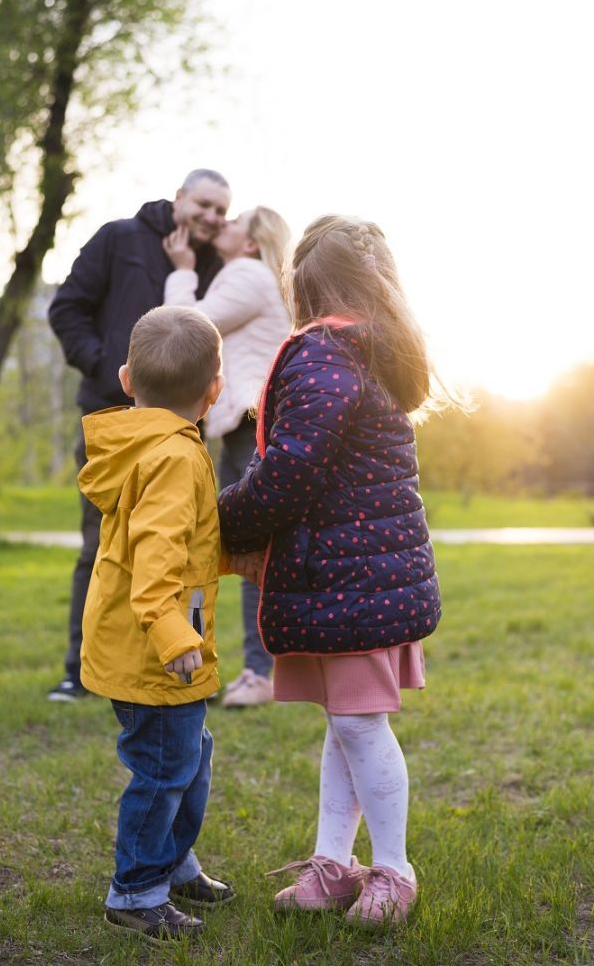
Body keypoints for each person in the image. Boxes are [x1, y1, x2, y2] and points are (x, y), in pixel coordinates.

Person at [218, 215, 443, 927]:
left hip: (353, 581)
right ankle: (333, 864)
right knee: (346, 726)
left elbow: (288, 470)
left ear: (307, 288)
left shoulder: (322, 353)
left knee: (360, 727)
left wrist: (222, 519)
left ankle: (394, 871)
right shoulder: (368, 353)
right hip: (353, 578)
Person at [78, 304, 234, 941]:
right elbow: (157, 558)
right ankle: (137, 891)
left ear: (125, 378)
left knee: (189, 758)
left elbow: (184, 540)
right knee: (166, 769)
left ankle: (173, 861)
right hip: (156, 649)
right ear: (215, 391)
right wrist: (173, 635)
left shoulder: (150, 445)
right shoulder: (171, 456)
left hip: (145, 640)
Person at [47, 169, 231, 701]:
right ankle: (80, 669)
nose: (211, 217)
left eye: (221, 210)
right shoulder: (119, 237)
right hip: (116, 421)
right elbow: (66, 309)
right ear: (179, 199)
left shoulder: (212, 262)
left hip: (182, 428)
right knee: (103, 545)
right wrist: (108, 368)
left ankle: (184, 661)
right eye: (203, 204)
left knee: (178, 543)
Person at [163, 206, 291, 707]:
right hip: (250, 422)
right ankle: (268, 670)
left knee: (245, 550)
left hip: (247, 423)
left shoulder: (246, 272)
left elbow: (185, 327)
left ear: (252, 242)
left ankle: (260, 675)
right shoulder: (259, 276)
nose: (225, 225)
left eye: (235, 220)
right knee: (255, 550)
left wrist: (182, 270)